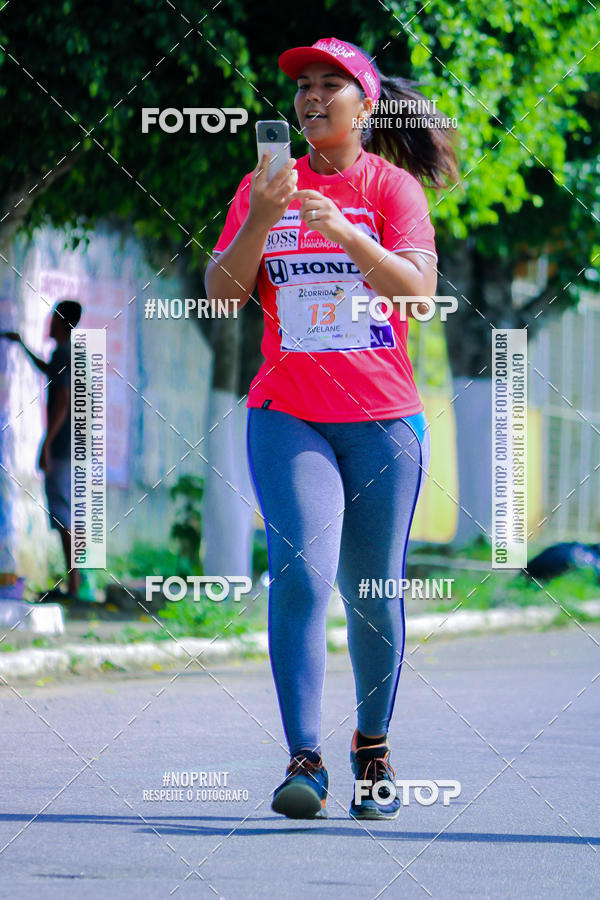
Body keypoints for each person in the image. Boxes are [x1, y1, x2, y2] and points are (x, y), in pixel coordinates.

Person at [205, 37, 459, 820]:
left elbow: (418, 294)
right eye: (303, 86)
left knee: (372, 592)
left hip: (383, 422)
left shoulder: (392, 188)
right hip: (288, 413)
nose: (312, 97)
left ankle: (372, 746)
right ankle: (304, 759)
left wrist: (348, 234)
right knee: (301, 576)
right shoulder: (262, 186)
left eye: (330, 84)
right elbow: (221, 295)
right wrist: (264, 218)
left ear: (365, 105)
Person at [3, 299, 83, 600]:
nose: (49, 322)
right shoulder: (65, 353)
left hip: (62, 447)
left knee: (63, 515)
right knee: (65, 514)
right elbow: (48, 371)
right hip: (70, 445)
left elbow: (62, 401)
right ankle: (75, 583)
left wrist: (46, 444)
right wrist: (22, 345)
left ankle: (74, 585)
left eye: (53, 318)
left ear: (62, 322)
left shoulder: (64, 353)